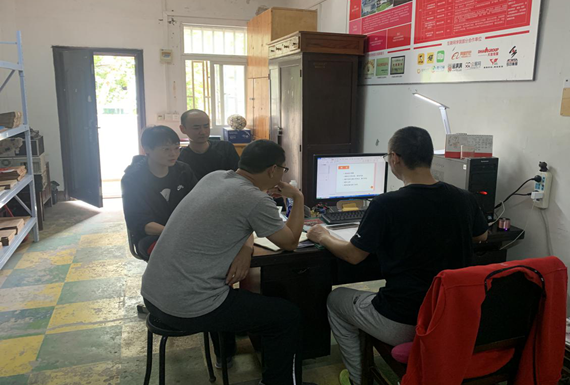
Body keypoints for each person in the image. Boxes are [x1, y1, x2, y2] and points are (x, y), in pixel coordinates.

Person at [307, 126, 489, 385]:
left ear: (394, 158)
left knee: (336, 299)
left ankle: (358, 379)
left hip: (403, 320)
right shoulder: (464, 198)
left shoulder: (386, 204)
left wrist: (322, 236)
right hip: (449, 316)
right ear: (430, 157)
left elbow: (354, 255)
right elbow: (481, 236)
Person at [141, 139, 316, 385]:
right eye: (283, 170)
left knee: (264, 308)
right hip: (188, 305)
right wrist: (297, 197)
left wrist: (246, 247)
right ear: (272, 170)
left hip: (153, 294)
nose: (282, 175)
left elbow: (234, 218)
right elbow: (290, 242)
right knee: (287, 317)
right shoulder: (255, 200)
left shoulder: (214, 177)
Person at [122, 125, 197, 259]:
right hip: (151, 236)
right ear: (147, 149)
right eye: (166, 149)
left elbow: (197, 203)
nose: (173, 154)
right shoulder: (133, 179)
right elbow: (140, 222)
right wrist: (176, 233)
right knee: (178, 256)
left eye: (176, 148)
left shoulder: (183, 171)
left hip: (184, 231)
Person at [178, 109, 240, 180]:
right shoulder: (180, 157)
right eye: (196, 128)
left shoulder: (225, 148)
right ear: (183, 129)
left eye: (206, 126)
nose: (203, 132)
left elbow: (238, 177)